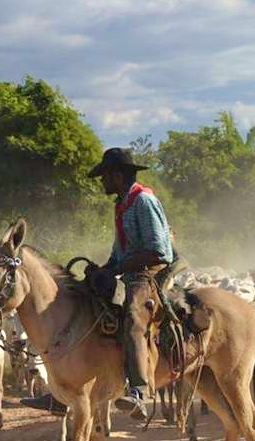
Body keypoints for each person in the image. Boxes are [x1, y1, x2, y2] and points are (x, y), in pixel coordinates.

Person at [23, 147, 174, 421]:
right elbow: (120, 252)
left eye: (105, 176)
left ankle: (139, 390)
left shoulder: (143, 201)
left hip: (148, 274)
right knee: (79, 299)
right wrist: (103, 270)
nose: (102, 181)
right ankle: (63, 390)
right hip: (129, 271)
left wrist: (115, 269)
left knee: (133, 317)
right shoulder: (122, 204)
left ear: (117, 175)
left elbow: (158, 250)